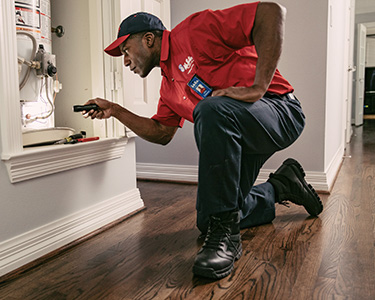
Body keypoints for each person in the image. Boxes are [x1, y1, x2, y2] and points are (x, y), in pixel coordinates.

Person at [81, 1, 323, 280]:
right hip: (240, 137)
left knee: (210, 108)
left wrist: (258, 87)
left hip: (280, 111)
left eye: (125, 50)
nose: (125, 60)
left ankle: (228, 239)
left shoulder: (194, 31)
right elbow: (161, 133)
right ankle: (282, 186)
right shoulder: (168, 86)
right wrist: (116, 110)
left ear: (149, 39)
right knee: (210, 221)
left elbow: (270, 12)